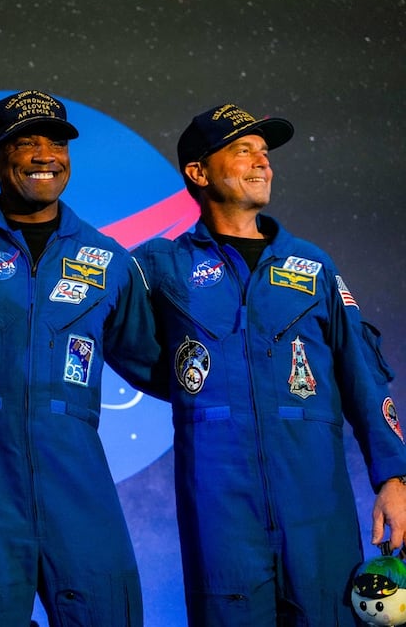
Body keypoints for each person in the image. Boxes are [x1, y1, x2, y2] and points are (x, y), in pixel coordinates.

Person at [131, 103, 406, 625]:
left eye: (264, 153)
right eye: (243, 151)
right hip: (220, 509)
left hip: (315, 507)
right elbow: (103, 326)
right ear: (198, 172)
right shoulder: (160, 265)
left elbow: (363, 373)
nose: (263, 163)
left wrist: (395, 479)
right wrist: (194, 387)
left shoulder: (311, 265)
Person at [0, 90, 161, 626]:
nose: (45, 154)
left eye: (56, 142)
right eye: (26, 142)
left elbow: (157, 363)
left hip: (76, 476)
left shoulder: (106, 258)